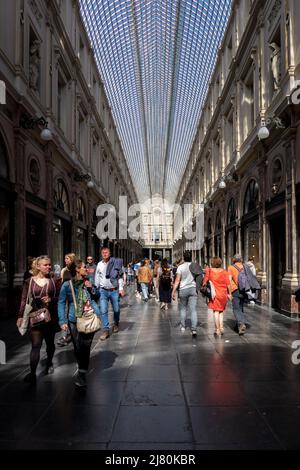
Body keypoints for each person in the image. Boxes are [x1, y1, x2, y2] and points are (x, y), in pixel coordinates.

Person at [17, 255, 61, 384]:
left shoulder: (55, 280)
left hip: (50, 317)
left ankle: (49, 362)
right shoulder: (29, 281)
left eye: (49, 264)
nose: (48, 267)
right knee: (35, 345)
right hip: (34, 317)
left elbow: (61, 298)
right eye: (45, 265)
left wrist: (51, 299)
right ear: (38, 266)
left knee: (50, 343)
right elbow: (24, 300)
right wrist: (20, 316)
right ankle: (32, 373)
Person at [58, 259, 101, 388]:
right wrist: (62, 321)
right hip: (74, 318)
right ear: (77, 269)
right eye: (84, 267)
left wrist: (91, 288)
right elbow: (61, 302)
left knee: (86, 346)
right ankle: (81, 365)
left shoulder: (88, 281)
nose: (86, 269)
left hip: (90, 316)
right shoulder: (67, 285)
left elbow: (97, 296)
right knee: (77, 346)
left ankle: (82, 373)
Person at [94, 247, 125, 340]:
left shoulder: (116, 262)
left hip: (114, 290)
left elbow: (120, 276)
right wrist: (96, 288)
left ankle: (116, 323)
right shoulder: (99, 264)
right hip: (103, 291)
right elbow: (97, 277)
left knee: (116, 309)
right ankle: (106, 330)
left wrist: (121, 288)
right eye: (103, 252)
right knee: (103, 310)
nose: (104, 254)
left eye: (106, 252)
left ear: (109, 253)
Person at [203, 257, 231, 336]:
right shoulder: (224, 272)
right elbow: (228, 284)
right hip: (223, 294)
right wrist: (230, 294)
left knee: (215, 311)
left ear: (212, 263)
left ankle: (217, 329)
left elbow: (205, 281)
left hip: (214, 294)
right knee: (221, 311)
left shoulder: (210, 271)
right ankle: (221, 327)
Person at [172, 251, 198, 337]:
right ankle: (194, 329)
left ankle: (183, 326)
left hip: (183, 290)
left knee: (183, 309)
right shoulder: (194, 266)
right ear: (191, 257)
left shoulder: (180, 267)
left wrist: (173, 291)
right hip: (193, 289)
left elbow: (177, 280)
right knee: (193, 310)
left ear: (183, 257)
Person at [228, 254, 247, 335]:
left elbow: (228, 281)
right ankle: (240, 324)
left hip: (235, 290)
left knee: (236, 308)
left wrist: (229, 293)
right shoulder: (245, 267)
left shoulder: (231, 267)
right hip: (244, 290)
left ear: (234, 260)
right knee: (241, 307)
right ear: (241, 259)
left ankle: (241, 323)